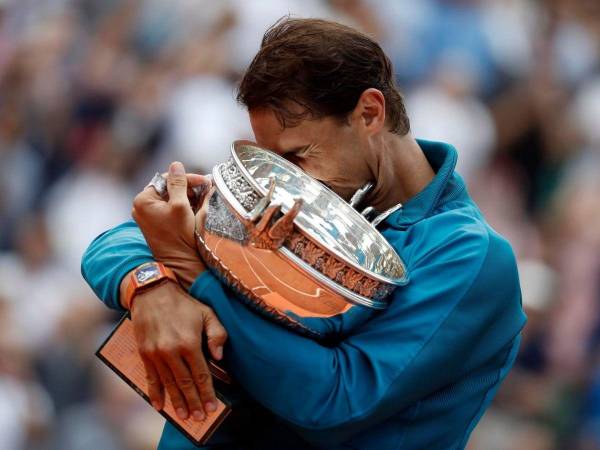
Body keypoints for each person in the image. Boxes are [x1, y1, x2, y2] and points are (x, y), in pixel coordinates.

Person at [81, 18, 527, 450]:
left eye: (299, 156)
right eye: (273, 161)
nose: (282, 182)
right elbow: (114, 244)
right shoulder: (302, 189)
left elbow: (335, 402)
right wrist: (151, 287)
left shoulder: (470, 256)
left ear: (369, 113)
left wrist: (194, 278)